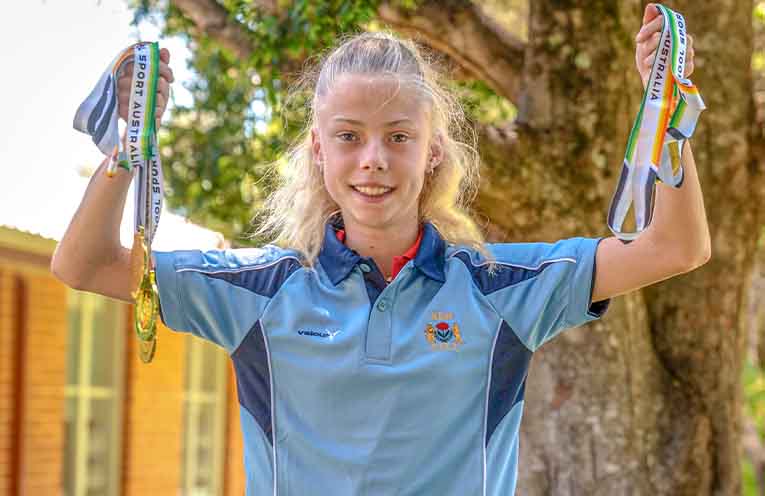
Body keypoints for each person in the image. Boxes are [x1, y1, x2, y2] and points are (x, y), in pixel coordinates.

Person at [51, 3, 709, 495]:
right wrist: (124, 152)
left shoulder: (503, 287)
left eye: (398, 137)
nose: (373, 160)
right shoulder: (257, 291)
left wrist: (668, 109)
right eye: (348, 136)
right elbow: (84, 265)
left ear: (433, 152)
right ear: (317, 148)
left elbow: (674, 246)